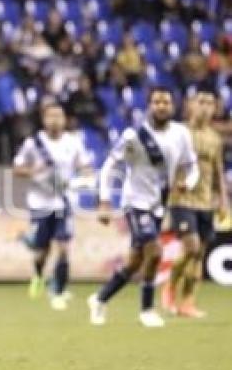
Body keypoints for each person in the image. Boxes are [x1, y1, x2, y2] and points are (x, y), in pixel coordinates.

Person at [89, 87, 199, 328]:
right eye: (157, 102)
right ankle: (147, 310)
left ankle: (99, 298)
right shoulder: (134, 136)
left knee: (135, 262)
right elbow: (110, 165)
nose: (161, 106)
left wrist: (187, 183)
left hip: (159, 205)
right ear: (149, 106)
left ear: (173, 106)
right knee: (155, 251)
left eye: (166, 101)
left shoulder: (181, 133)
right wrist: (105, 200)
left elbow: (192, 167)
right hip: (135, 203)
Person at [13, 103, 92, 310]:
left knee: (64, 248)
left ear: (65, 119)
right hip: (40, 203)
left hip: (63, 201)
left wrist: (85, 177)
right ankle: (39, 274)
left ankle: (58, 290)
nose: (55, 120)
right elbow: (17, 168)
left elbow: (85, 166)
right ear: (44, 119)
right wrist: (32, 170)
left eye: (59, 116)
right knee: (42, 251)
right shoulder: (33, 143)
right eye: (51, 116)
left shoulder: (73, 142)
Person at [162, 90, 228, 318]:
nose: (206, 107)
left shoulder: (215, 138)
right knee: (191, 245)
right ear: (191, 105)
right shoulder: (178, 133)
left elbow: (218, 172)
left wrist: (224, 201)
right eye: (201, 102)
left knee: (199, 254)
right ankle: (170, 286)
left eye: (210, 103)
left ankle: (188, 302)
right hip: (181, 199)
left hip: (206, 202)